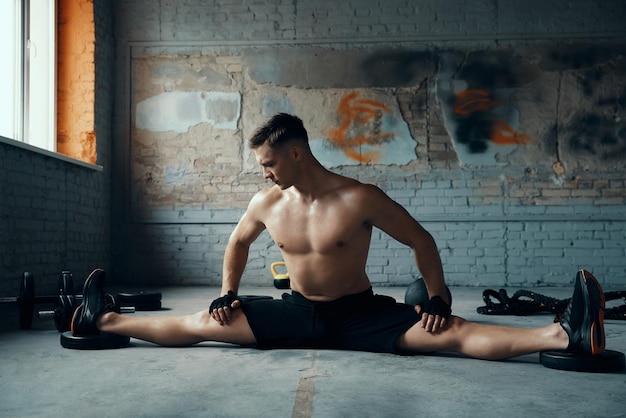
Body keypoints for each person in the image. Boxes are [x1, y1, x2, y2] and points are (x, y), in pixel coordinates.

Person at [71, 113, 605, 359]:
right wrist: (228, 292)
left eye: (270, 162)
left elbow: (421, 241)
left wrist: (438, 297)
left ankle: (561, 336)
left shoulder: (359, 198)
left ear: (297, 153)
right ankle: (103, 317)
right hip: (296, 310)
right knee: (201, 324)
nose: (264, 171)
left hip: (359, 312)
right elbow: (237, 243)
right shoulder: (266, 202)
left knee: (454, 333)